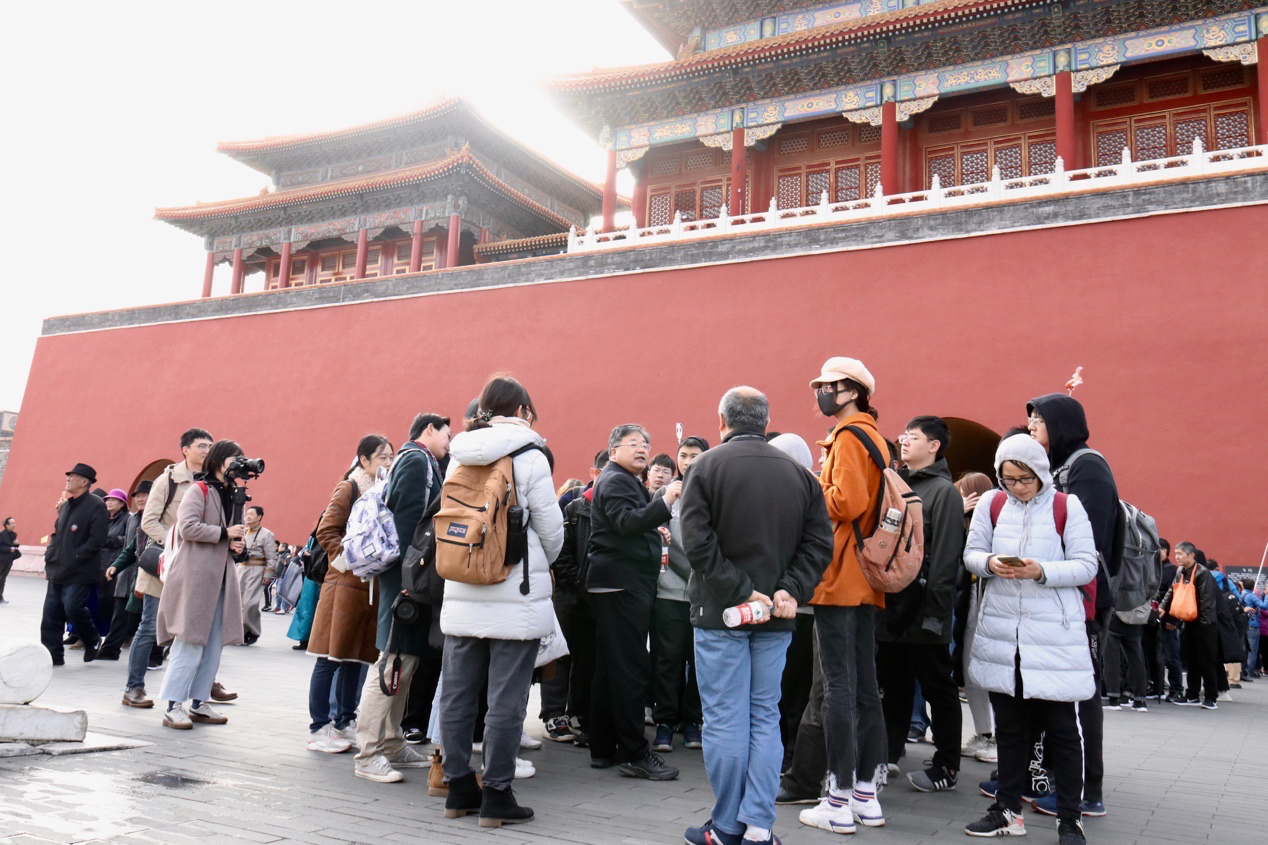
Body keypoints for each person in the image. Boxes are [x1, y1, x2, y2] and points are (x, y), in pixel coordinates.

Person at [679, 387, 833, 845]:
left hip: (721, 613)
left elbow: (696, 542)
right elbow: (818, 545)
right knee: (764, 716)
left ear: (722, 420)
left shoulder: (706, 466)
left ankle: (728, 825)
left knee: (726, 718)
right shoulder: (800, 474)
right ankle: (760, 826)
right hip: (777, 615)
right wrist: (789, 590)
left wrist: (742, 590)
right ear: (765, 421)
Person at [438, 376, 564, 829]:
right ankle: (496, 794)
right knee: (506, 700)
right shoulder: (531, 455)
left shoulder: (459, 453)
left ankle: (457, 787)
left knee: (457, 694)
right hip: (516, 590)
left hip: (462, 585)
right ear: (523, 411)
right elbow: (551, 530)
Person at [963, 434, 1097, 845]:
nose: (1018, 487)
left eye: (1025, 479)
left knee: (1063, 731)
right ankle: (1007, 810)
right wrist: (990, 563)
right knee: (1010, 728)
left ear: (1040, 473)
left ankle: (1070, 819)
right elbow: (971, 554)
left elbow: (1086, 565)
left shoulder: (1066, 506)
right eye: (1009, 479)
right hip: (1004, 635)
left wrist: (1041, 571)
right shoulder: (992, 503)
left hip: (1054, 637)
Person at [797, 357, 888, 835]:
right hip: (866, 577)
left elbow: (846, 502)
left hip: (841, 573)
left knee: (838, 687)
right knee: (864, 687)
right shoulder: (872, 435)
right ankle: (866, 796)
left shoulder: (849, 437)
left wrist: (814, 486)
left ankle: (837, 800)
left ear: (852, 391)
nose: (821, 392)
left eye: (828, 385)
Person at [1027, 394, 1119, 818]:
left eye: (1039, 418)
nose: (1032, 424)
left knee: (1081, 694)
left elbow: (1087, 542)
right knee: (1052, 691)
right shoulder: (1060, 466)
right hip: (1055, 593)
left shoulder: (1088, 467)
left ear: (1061, 424)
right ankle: (1047, 777)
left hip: (1083, 600)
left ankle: (1086, 792)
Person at [353, 413, 450, 783]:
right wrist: (412, 580)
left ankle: (392, 743)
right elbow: (406, 524)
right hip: (408, 581)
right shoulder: (416, 460)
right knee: (391, 662)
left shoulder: (420, 460)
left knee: (404, 663)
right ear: (430, 429)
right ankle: (368, 753)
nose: (449, 441)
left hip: (411, 578)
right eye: (447, 433)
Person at [586, 423, 681, 781]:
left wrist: (652, 526)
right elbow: (626, 523)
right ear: (613, 452)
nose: (642, 449)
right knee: (630, 670)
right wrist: (665, 502)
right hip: (622, 585)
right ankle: (634, 753)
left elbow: (624, 525)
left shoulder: (622, 480)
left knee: (611, 669)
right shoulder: (617, 480)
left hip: (616, 584)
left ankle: (603, 747)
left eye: (646, 444)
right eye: (634, 444)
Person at [878, 417, 966, 792]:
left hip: (924, 610)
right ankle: (887, 753)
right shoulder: (894, 484)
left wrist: (935, 614)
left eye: (913, 437)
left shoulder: (944, 493)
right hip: (891, 607)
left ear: (934, 446)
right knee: (893, 685)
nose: (904, 442)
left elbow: (946, 559)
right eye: (904, 436)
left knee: (937, 688)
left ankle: (946, 764)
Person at [132, 429, 238, 707]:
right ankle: (144, 690)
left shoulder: (227, 491)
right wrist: (175, 546)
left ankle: (200, 698)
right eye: (201, 445)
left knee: (210, 640)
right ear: (186, 449)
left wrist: (233, 542)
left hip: (213, 571)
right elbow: (159, 522)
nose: (206, 450)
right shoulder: (179, 483)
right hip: (177, 565)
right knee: (164, 631)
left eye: (209, 446)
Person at [306, 434, 394, 754]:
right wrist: (347, 559)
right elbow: (326, 529)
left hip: (369, 588)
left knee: (355, 658)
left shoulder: (384, 491)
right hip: (344, 584)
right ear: (364, 460)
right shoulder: (350, 487)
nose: (388, 463)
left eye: (391, 457)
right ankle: (319, 726)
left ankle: (345, 719)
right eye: (382, 457)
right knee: (330, 657)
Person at [154, 440, 249, 729]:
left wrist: (237, 545)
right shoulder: (199, 489)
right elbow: (188, 527)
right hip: (195, 576)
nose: (239, 464)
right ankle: (173, 705)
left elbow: (233, 535)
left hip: (222, 577)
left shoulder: (234, 495)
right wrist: (224, 533)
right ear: (219, 460)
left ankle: (199, 701)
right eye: (234, 458)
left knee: (214, 644)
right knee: (190, 640)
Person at [541, 449, 607, 744]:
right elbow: (559, 550)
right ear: (595, 473)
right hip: (569, 593)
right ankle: (553, 715)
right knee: (559, 656)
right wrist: (578, 582)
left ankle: (578, 711)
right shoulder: (573, 505)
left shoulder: (620, 507)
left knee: (588, 658)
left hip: (598, 597)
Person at [649, 436, 708, 755]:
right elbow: (657, 536)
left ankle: (692, 720)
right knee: (667, 661)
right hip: (669, 591)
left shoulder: (713, 490)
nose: (687, 461)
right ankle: (664, 722)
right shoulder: (665, 493)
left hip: (704, 594)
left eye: (694, 455)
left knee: (698, 661)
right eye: (683, 455)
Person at [40, 463, 109, 664]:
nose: (68, 479)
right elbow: (57, 533)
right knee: (51, 615)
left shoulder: (96, 505)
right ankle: (53, 656)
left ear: (85, 481)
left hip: (80, 571)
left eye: (73, 476)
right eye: (68, 476)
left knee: (72, 607)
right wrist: (51, 554)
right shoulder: (66, 506)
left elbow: (97, 539)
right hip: (57, 568)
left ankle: (92, 638)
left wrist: (77, 557)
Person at [953, 471, 998, 764]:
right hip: (968, 600)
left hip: (986, 600)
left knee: (990, 671)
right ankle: (984, 732)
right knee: (970, 670)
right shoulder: (963, 523)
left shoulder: (994, 524)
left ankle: (998, 738)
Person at [1159, 542, 1220, 708]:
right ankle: (1192, 695)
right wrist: (1163, 607)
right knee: (1191, 660)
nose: (1177, 557)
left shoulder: (1203, 573)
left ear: (1191, 555)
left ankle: (1211, 697)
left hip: (1205, 623)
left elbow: (1207, 602)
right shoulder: (1180, 571)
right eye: (1176, 554)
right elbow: (1172, 591)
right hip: (1189, 621)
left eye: (1180, 554)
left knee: (1206, 661)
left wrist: (1203, 625)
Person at [99, 483, 152, 661]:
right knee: (120, 613)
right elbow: (129, 547)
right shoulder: (133, 518)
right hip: (126, 572)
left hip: (147, 573)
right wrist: (117, 565)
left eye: (144, 495)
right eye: (138, 496)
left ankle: (156, 652)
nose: (140, 499)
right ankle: (110, 649)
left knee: (145, 615)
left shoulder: (156, 518)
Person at [237, 505, 277, 645]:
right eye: (247, 514)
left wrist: (268, 574)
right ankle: (239, 632)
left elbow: (271, 557)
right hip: (241, 569)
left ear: (259, 517)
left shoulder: (267, 534)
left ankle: (252, 631)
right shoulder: (242, 532)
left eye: (251, 514)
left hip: (257, 570)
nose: (248, 516)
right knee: (238, 602)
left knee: (250, 603)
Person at [1154, 540, 1185, 703]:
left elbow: (1176, 596)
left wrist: (1173, 619)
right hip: (1150, 620)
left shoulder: (1173, 570)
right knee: (1153, 655)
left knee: (1172, 656)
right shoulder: (1151, 568)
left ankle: (1176, 689)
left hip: (1168, 621)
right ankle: (1156, 686)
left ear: (1165, 551)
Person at [0, 516, 18, 604]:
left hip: (9, 560)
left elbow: (15, 547)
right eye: (12, 523)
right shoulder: (1, 534)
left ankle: (0, 597)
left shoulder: (14, 534)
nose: (14, 525)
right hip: (1, 560)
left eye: (15, 523)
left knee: (3, 579)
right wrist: (9, 549)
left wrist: (17, 544)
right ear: (7, 525)